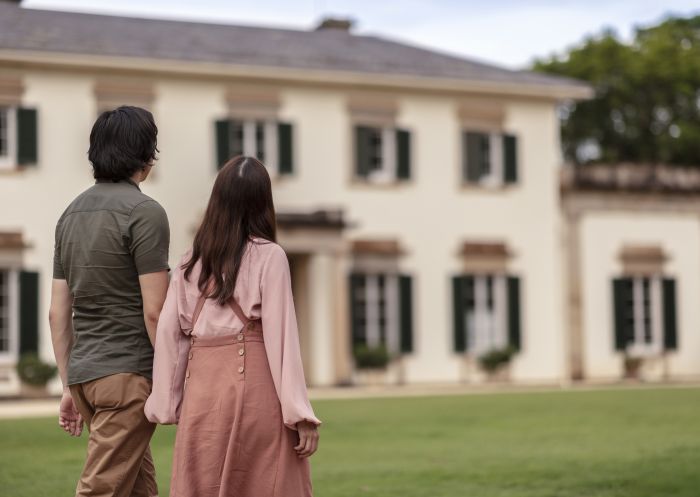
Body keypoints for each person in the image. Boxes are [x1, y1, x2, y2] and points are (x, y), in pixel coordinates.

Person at [144, 155, 321, 497]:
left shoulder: (187, 263)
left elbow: (169, 335)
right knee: (264, 484)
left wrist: (167, 400)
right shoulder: (270, 256)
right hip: (255, 392)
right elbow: (282, 337)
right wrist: (299, 412)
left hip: (201, 396)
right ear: (262, 203)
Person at [49, 106, 170, 497]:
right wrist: (176, 375)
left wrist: (69, 385)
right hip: (128, 378)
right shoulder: (145, 213)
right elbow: (155, 311)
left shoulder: (70, 215)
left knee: (139, 490)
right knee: (100, 490)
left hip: (86, 378)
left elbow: (57, 313)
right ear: (146, 158)